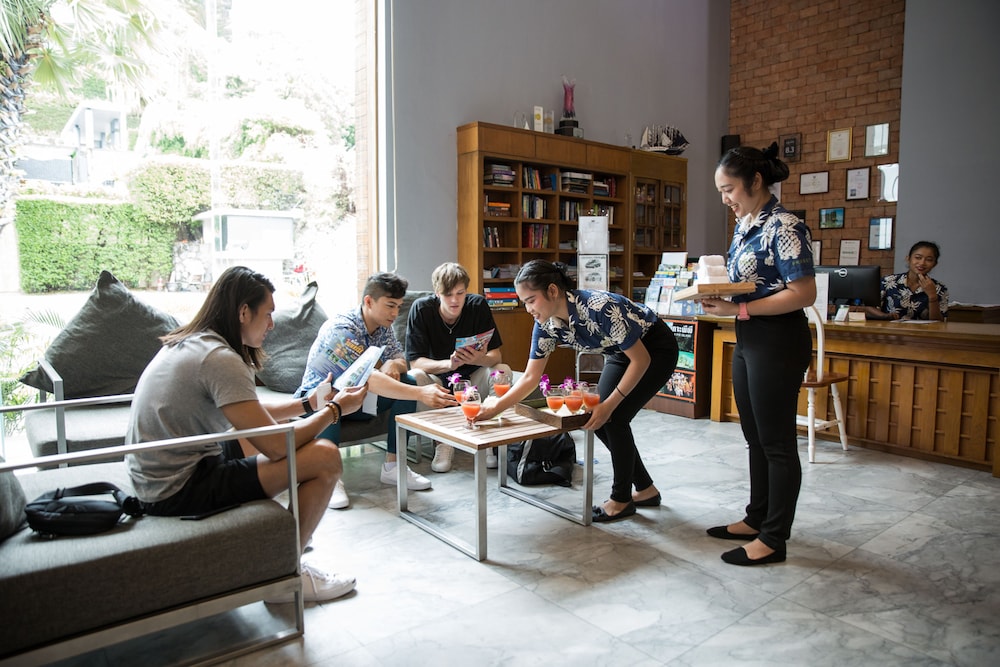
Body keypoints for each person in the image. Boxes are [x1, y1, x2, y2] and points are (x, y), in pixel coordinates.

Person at [125, 266, 367, 602]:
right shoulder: (220, 359)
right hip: (177, 489)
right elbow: (275, 445)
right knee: (324, 456)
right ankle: (283, 573)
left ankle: (289, 537)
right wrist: (335, 410)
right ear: (243, 312)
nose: (271, 324)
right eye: (267, 314)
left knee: (265, 436)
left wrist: (307, 404)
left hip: (155, 478)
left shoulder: (194, 342)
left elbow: (250, 415)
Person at [475, 260, 678, 523]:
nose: (528, 309)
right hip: (619, 353)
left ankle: (621, 499)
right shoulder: (545, 324)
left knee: (614, 417)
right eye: (524, 303)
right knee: (596, 418)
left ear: (552, 290)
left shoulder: (599, 307)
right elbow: (530, 377)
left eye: (531, 300)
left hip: (654, 350)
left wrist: (609, 405)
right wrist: (496, 407)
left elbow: (641, 360)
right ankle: (645, 489)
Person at [700, 142, 816, 566]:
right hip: (749, 337)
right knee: (755, 438)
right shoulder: (746, 226)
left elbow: (803, 293)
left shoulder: (784, 226)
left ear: (755, 181)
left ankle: (773, 538)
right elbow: (754, 284)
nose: (725, 199)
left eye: (728, 189)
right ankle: (757, 517)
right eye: (721, 191)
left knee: (777, 443)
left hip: (778, 340)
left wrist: (739, 309)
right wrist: (718, 295)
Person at [295, 272, 455, 508]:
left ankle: (394, 466)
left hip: (356, 400)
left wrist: (393, 364)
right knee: (331, 398)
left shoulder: (383, 328)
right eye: (390, 305)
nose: (395, 313)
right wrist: (421, 393)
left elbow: (402, 361)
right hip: (316, 400)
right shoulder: (343, 328)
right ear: (369, 301)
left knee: (407, 380)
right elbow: (367, 377)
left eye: (398, 306)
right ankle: (329, 479)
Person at [405, 262, 512, 473]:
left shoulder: (477, 305)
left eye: (460, 293)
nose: (455, 300)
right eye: (448, 295)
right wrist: (449, 364)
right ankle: (443, 441)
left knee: (503, 370)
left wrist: (479, 358)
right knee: (415, 376)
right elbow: (415, 362)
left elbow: (496, 356)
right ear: (437, 293)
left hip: (473, 377)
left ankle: (488, 439)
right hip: (438, 380)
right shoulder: (422, 309)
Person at [864, 241, 948, 321]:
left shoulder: (940, 288)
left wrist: (932, 296)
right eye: (918, 258)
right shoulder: (888, 281)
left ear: (934, 264)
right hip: (890, 329)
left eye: (929, 260)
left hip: (921, 331)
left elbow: (938, 323)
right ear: (908, 259)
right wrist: (885, 316)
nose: (922, 263)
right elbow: (868, 308)